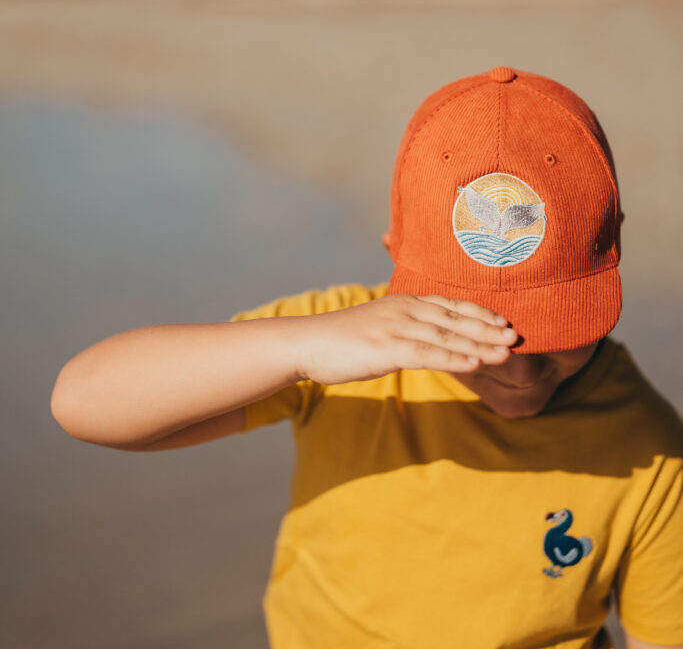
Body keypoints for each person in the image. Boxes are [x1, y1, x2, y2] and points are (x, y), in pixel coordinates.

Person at [51, 66, 683, 649]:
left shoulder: (650, 451)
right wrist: (299, 346)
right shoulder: (338, 351)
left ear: (610, 255)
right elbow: (82, 403)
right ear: (395, 258)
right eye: (471, 332)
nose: (517, 369)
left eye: (554, 332)